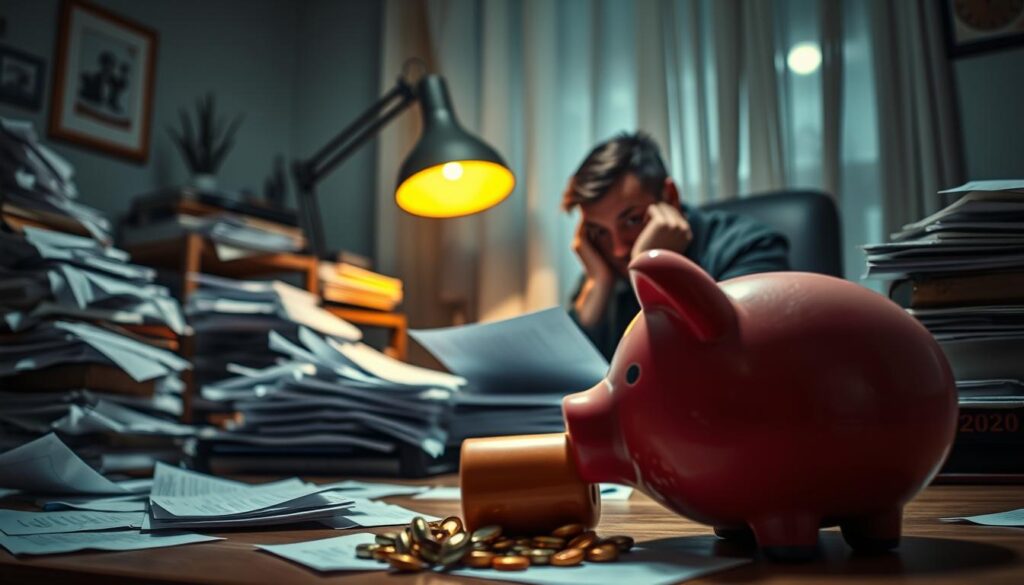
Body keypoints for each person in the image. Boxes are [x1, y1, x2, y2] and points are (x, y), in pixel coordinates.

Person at [565, 132, 790, 359]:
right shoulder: (604, 266)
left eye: (632, 220)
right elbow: (568, 369)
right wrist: (597, 283)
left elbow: (731, 358)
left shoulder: (750, 247)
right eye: (599, 231)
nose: (618, 250)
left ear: (670, 196)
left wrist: (651, 268)